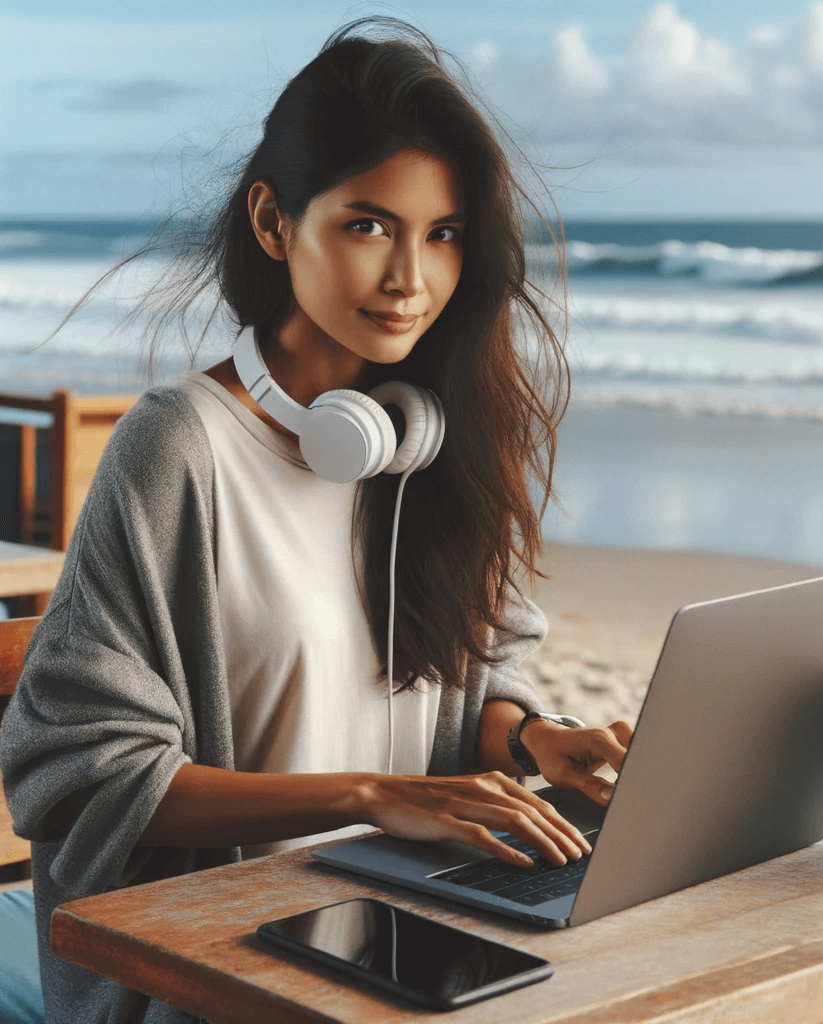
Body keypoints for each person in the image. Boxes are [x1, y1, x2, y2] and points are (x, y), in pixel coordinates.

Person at [0, 19, 633, 1024]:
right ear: (272, 220)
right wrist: (366, 795)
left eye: (444, 234)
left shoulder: (426, 438)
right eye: (368, 224)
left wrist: (530, 739)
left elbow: (468, 692)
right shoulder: (181, 450)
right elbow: (80, 777)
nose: (409, 278)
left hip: (397, 932)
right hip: (212, 970)